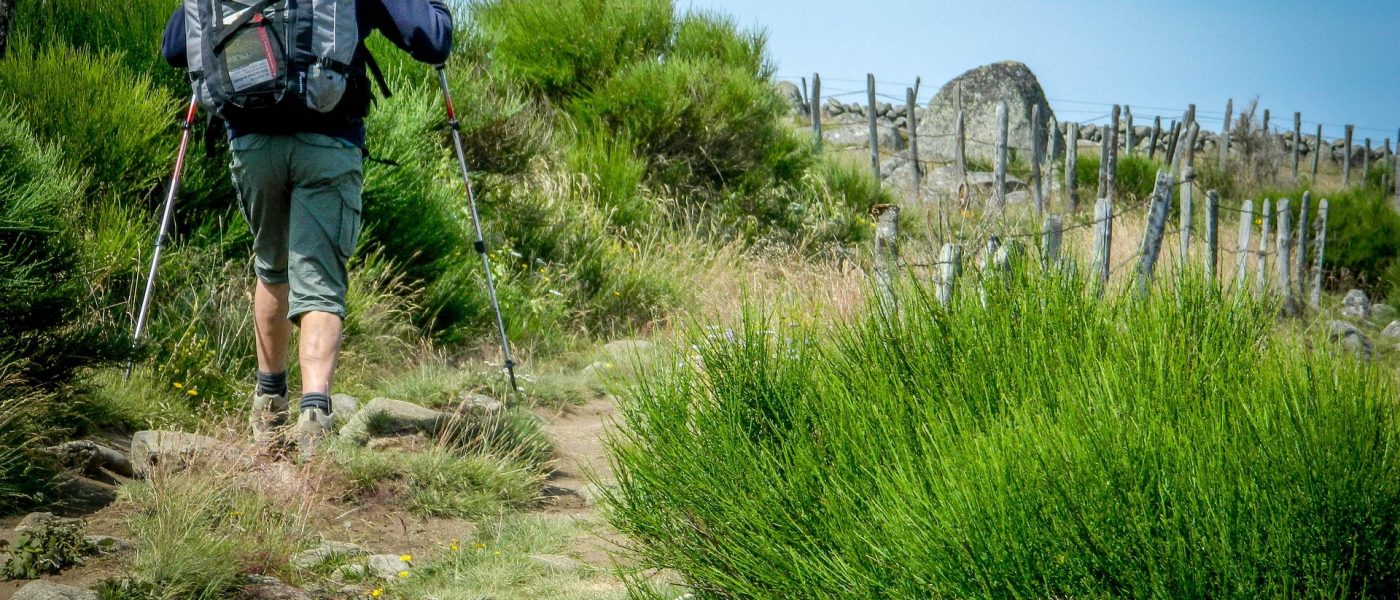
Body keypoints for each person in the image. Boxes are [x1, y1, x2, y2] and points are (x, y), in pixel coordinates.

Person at [160, 1, 452, 448]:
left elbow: (176, 48)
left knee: (271, 267)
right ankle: (314, 414)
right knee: (318, 279)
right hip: (327, 137)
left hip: (251, 140)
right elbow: (432, 40)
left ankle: (268, 404)